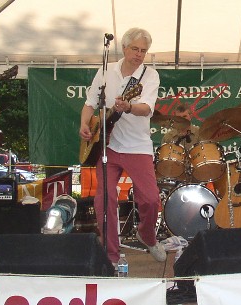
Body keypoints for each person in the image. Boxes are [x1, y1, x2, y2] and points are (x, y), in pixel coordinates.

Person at [79, 28, 166, 265]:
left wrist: (128, 107)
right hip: (107, 146)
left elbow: (147, 108)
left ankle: (147, 236)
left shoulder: (149, 76)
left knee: (149, 199)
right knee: (104, 200)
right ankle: (111, 257)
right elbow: (89, 104)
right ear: (124, 48)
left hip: (138, 146)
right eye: (135, 49)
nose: (139, 54)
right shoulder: (106, 71)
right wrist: (85, 124)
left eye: (143, 51)